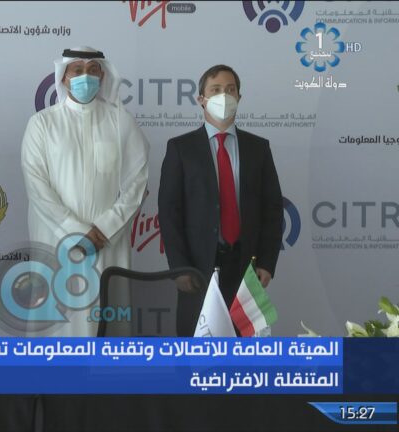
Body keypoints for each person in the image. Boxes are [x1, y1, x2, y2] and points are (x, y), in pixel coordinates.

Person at [21, 46, 150, 336]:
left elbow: (138, 183)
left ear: (103, 75)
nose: (85, 76)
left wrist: (105, 228)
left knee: (105, 324)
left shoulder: (121, 121)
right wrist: (76, 231)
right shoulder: (42, 124)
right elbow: (37, 187)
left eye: (93, 70)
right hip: (56, 240)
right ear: (63, 77)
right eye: (77, 70)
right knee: (57, 330)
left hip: (107, 242)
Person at [158, 64, 283, 336]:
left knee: (245, 348)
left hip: (247, 268)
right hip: (197, 270)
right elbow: (169, 213)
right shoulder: (180, 148)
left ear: (239, 97)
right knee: (197, 349)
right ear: (201, 99)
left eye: (230, 90)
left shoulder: (259, 148)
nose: (224, 96)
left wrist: (267, 262)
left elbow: (273, 210)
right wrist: (179, 268)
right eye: (215, 90)